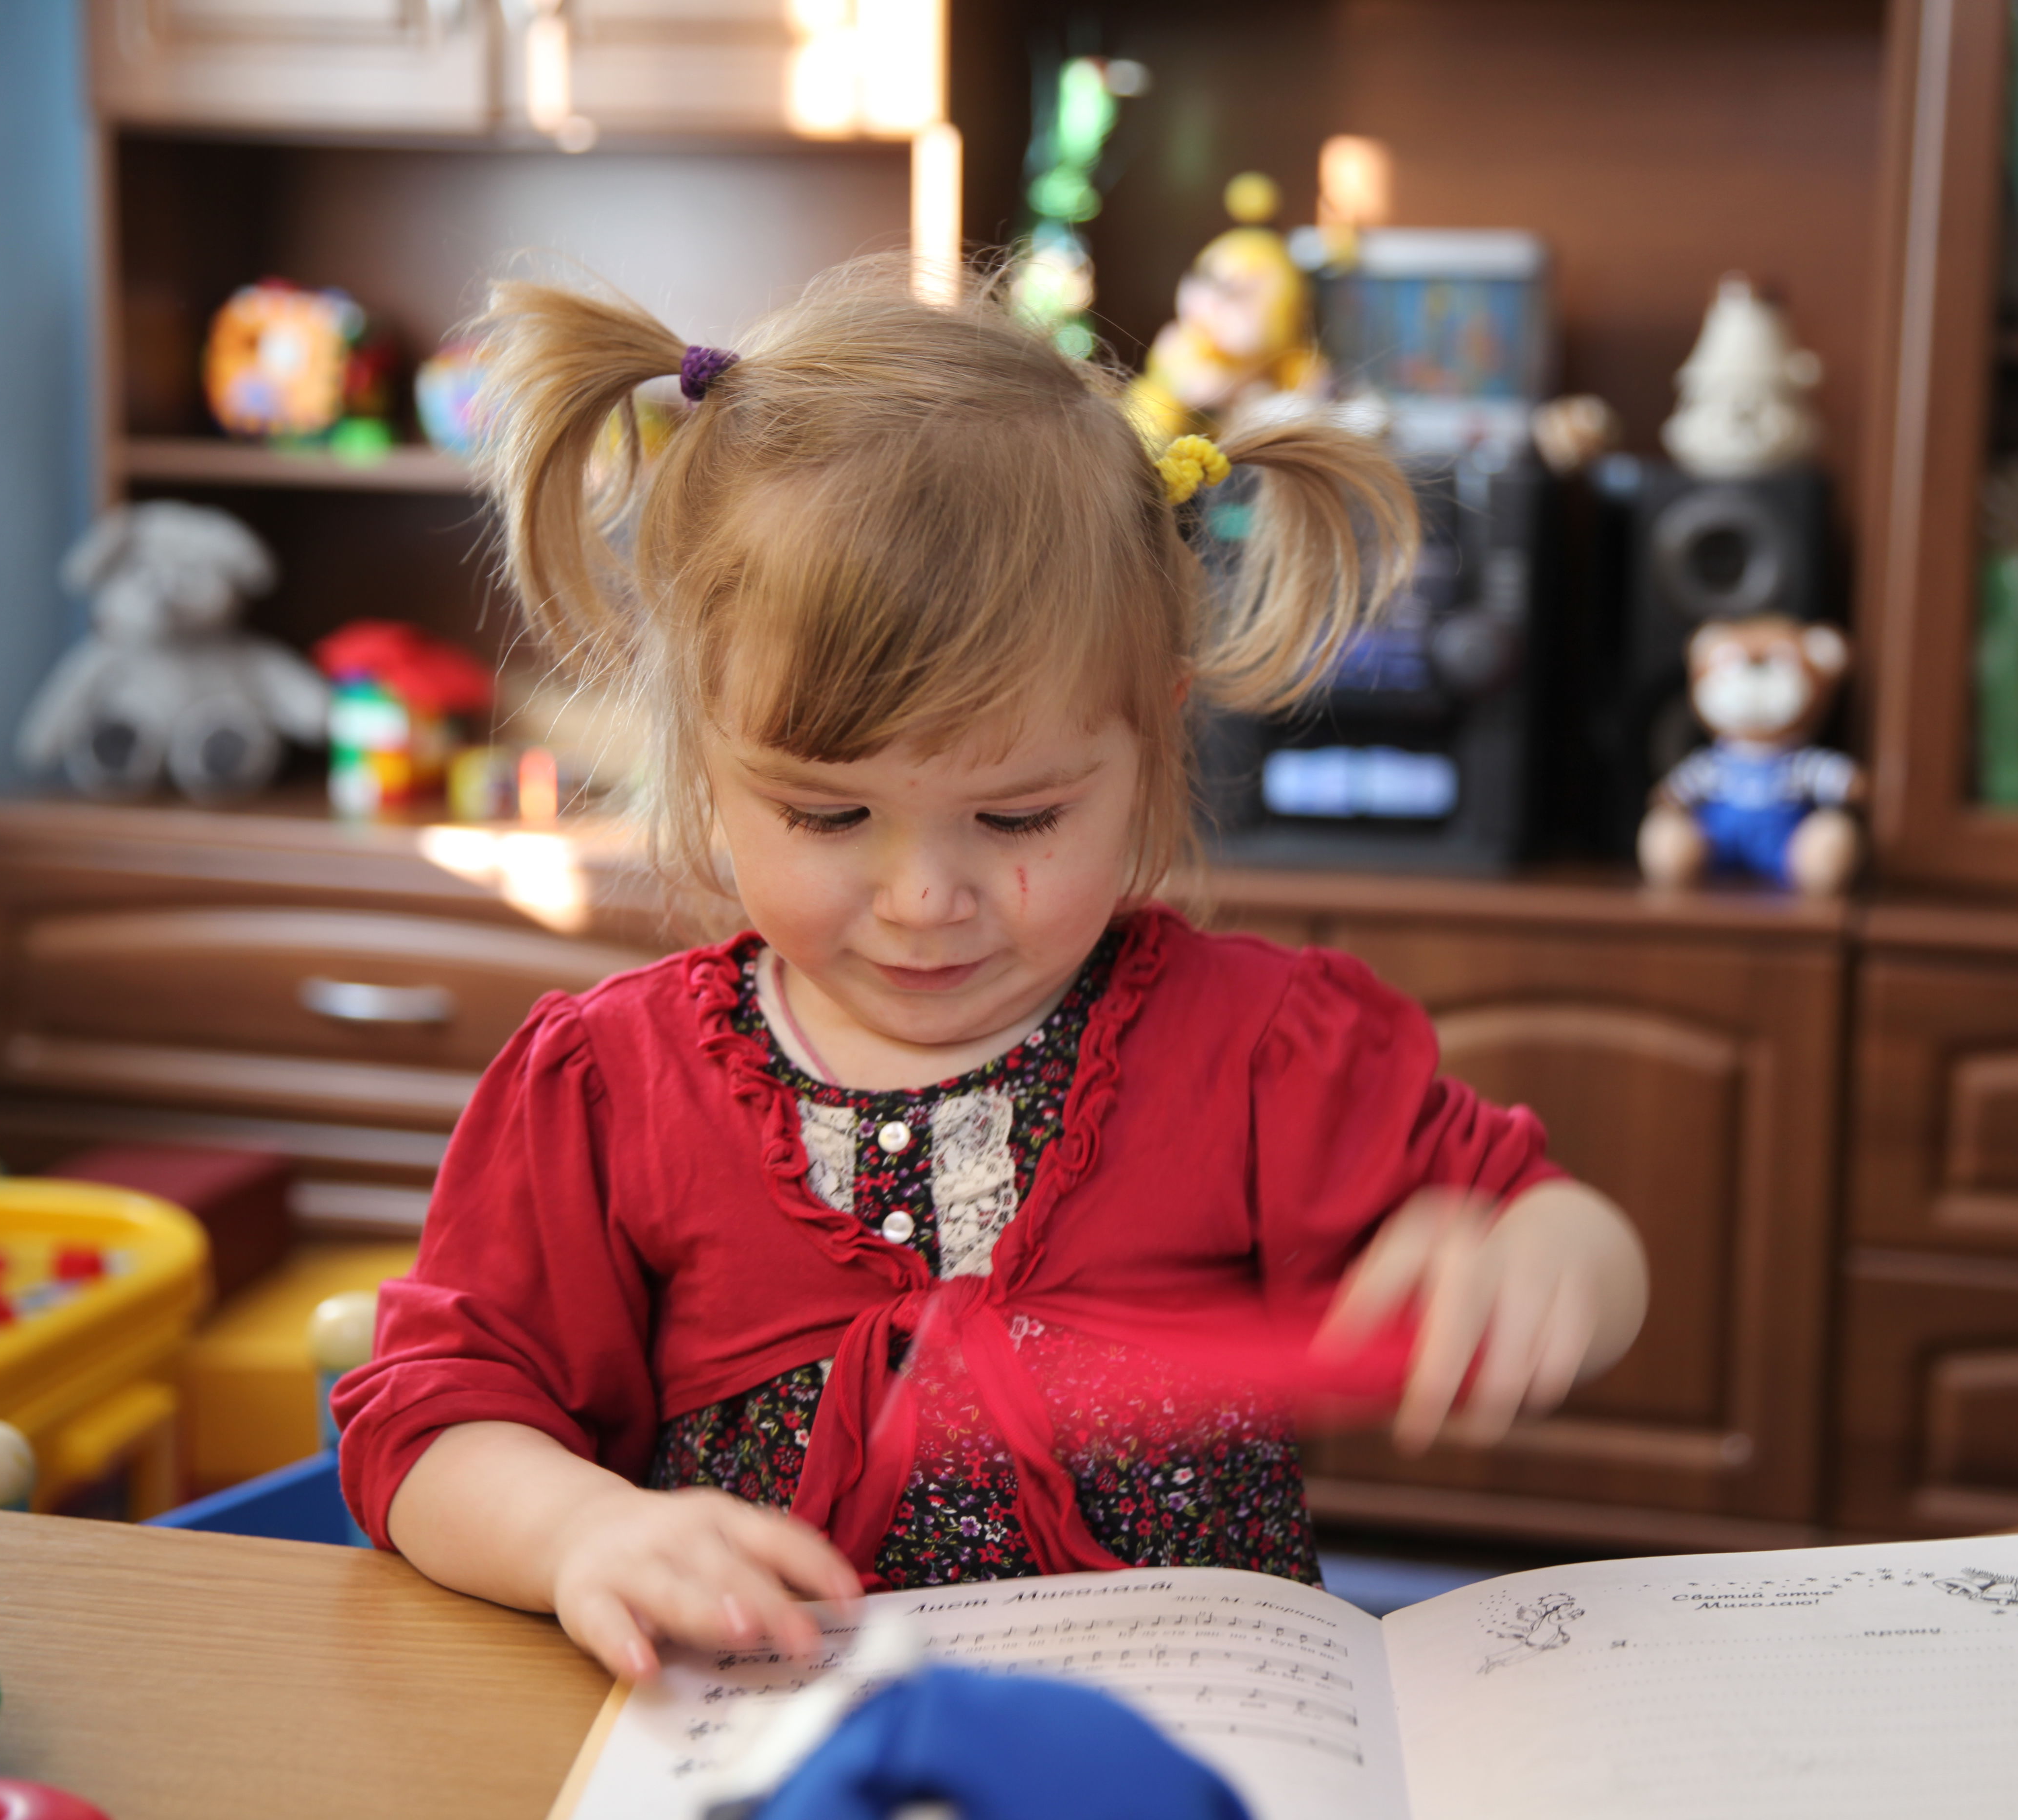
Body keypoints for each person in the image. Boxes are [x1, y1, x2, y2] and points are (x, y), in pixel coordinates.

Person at [334, 260, 1648, 1683]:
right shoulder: (610, 1090)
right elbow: (428, 1427)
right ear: (702, 750)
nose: (924, 900)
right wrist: (579, 1530)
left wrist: (1544, 1265)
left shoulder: (1262, 1049)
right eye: (828, 815)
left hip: (1187, 1750)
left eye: (1019, 819)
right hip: (783, 1751)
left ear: (1153, 739)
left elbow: (1574, 1235)